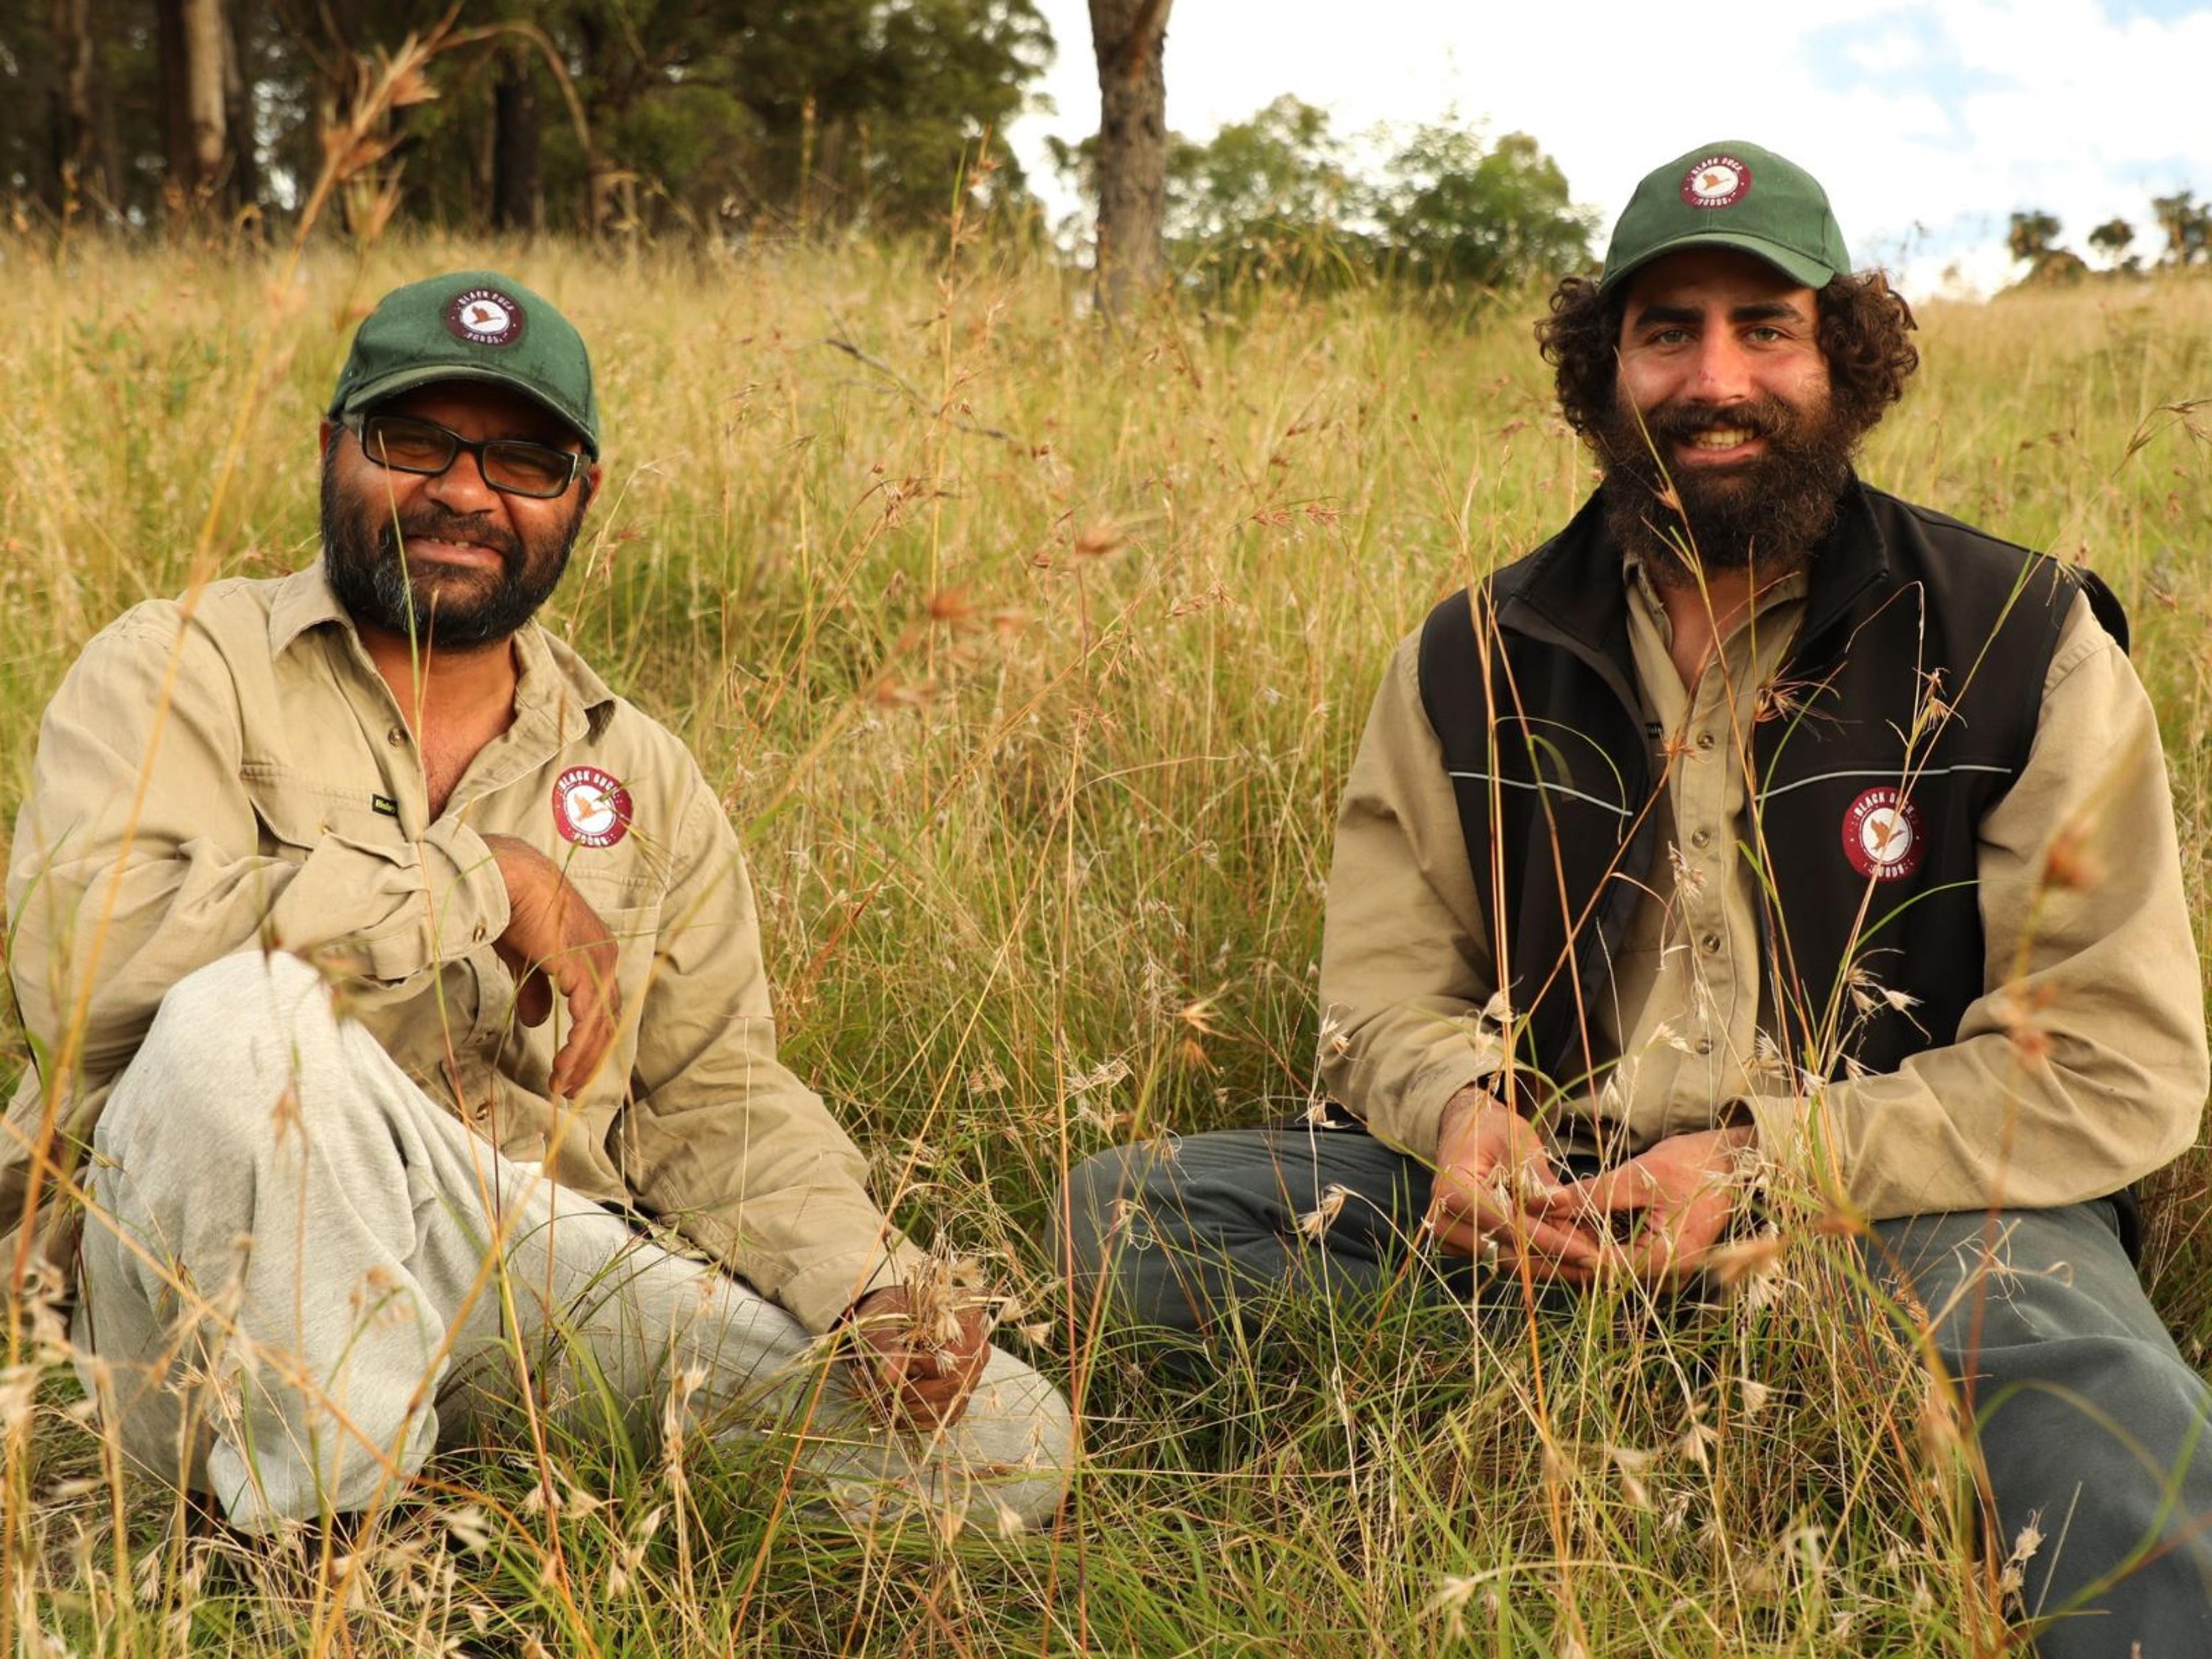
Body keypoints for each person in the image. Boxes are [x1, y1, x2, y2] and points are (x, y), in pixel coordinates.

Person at [1063, 143, 2212, 1650]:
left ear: (1846, 357)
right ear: (1603, 368)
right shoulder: (1468, 656)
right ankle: (1630, 1392)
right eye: (1666, 331)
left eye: (1766, 328)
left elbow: (2114, 1060)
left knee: (2104, 1405)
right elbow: (1380, 1003)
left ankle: (1673, 1390)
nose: (1713, 376)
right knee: (1126, 1219)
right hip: (1556, 1217)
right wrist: (1463, 1118)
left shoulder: (2022, 638)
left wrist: (1773, 1167)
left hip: (1895, 1207)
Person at [3, 270, 1071, 1535]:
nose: (465, 492)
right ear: (336, 447)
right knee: (242, 1024)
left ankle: (465, 1482)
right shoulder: (178, 664)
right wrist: (478, 880)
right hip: (189, 1303)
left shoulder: (642, 772)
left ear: (582, 496)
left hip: (524, 1280)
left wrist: (867, 1281)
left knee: (1005, 1446)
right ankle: (328, 1549)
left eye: (523, 460)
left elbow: (713, 1095)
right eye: (416, 442)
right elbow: (94, 969)